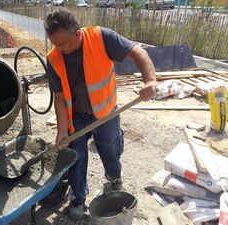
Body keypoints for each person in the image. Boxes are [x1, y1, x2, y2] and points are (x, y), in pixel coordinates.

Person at [44, 8, 157, 220]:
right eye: (53, 43)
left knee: (111, 148)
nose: (56, 48)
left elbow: (138, 52)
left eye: (60, 44)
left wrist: (150, 80)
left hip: (106, 113)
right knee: (76, 157)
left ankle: (114, 180)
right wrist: (61, 131)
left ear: (76, 34)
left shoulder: (101, 38)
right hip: (76, 116)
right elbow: (59, 97)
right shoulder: (54, 57)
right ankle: (77, 197)